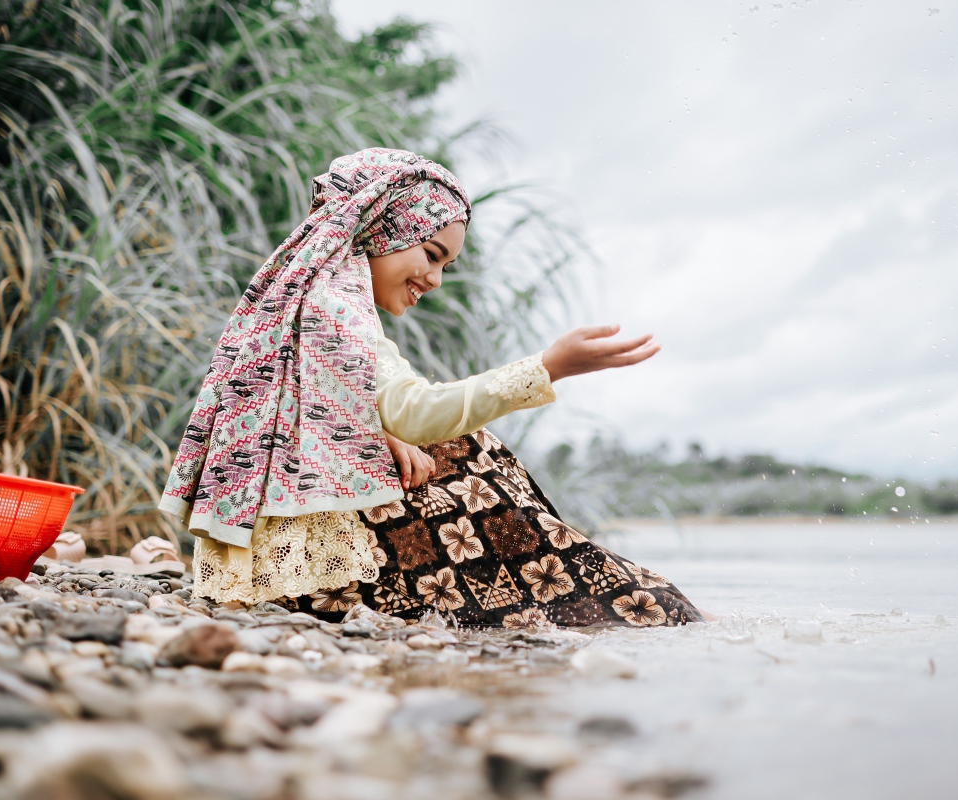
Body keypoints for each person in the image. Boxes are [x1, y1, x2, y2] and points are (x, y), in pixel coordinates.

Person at [160, 148, 703, 628]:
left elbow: (305, 417)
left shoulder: (301, 298)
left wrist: (376, 434)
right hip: (311, 581)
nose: (436, 280)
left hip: (261, 567)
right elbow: (417, 413)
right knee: (469, 452)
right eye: (432, 255)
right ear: (383, 228)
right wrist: (548, 367)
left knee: (440, 449)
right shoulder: (338, 310)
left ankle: (607, 594)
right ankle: (617, 601)